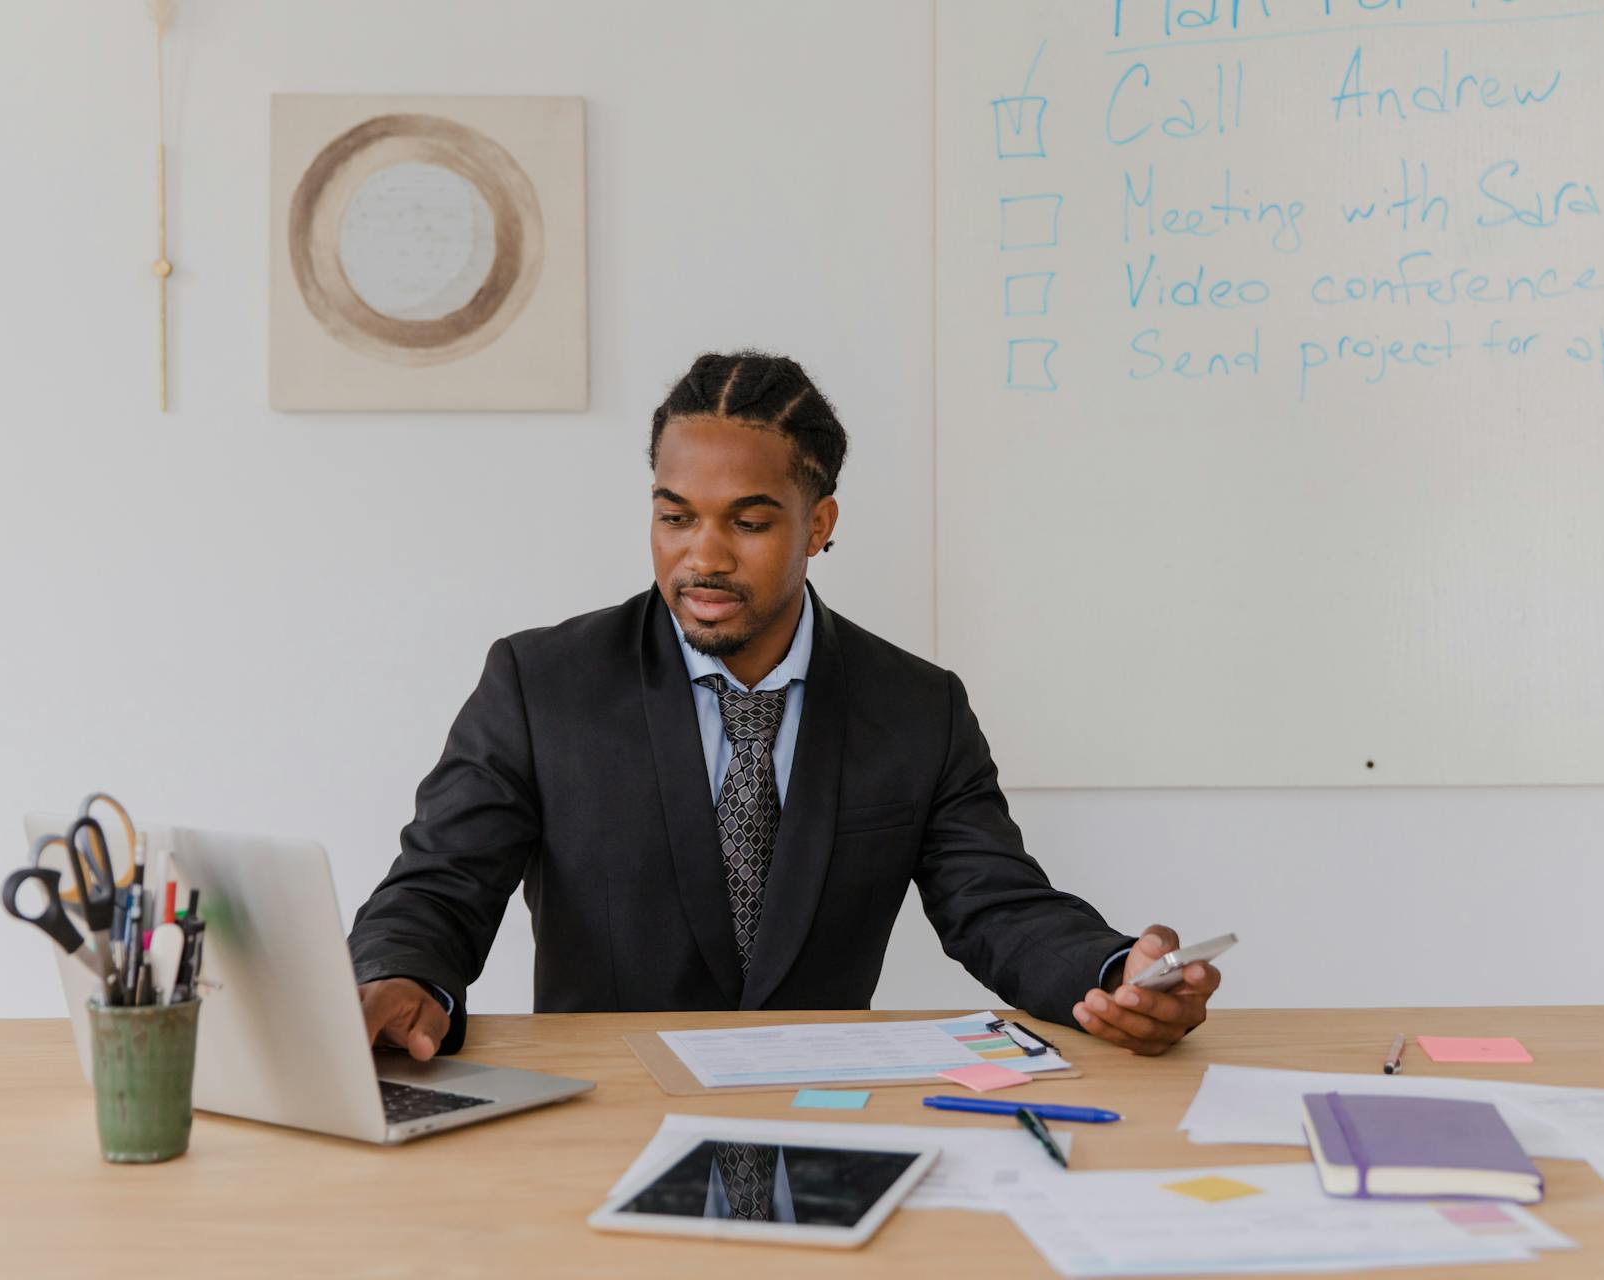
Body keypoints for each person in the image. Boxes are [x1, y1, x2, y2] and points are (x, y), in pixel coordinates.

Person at [349, 352, 1221, 1062]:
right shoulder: (541, 684)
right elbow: (440, 883)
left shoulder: (919, 709)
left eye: (750, 522)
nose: (705, 557)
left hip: (822, 1111)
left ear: (820, 523)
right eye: (675, 516)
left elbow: (997, 906)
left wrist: (1115, 972)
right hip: (605, 1115)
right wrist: (399, 974)